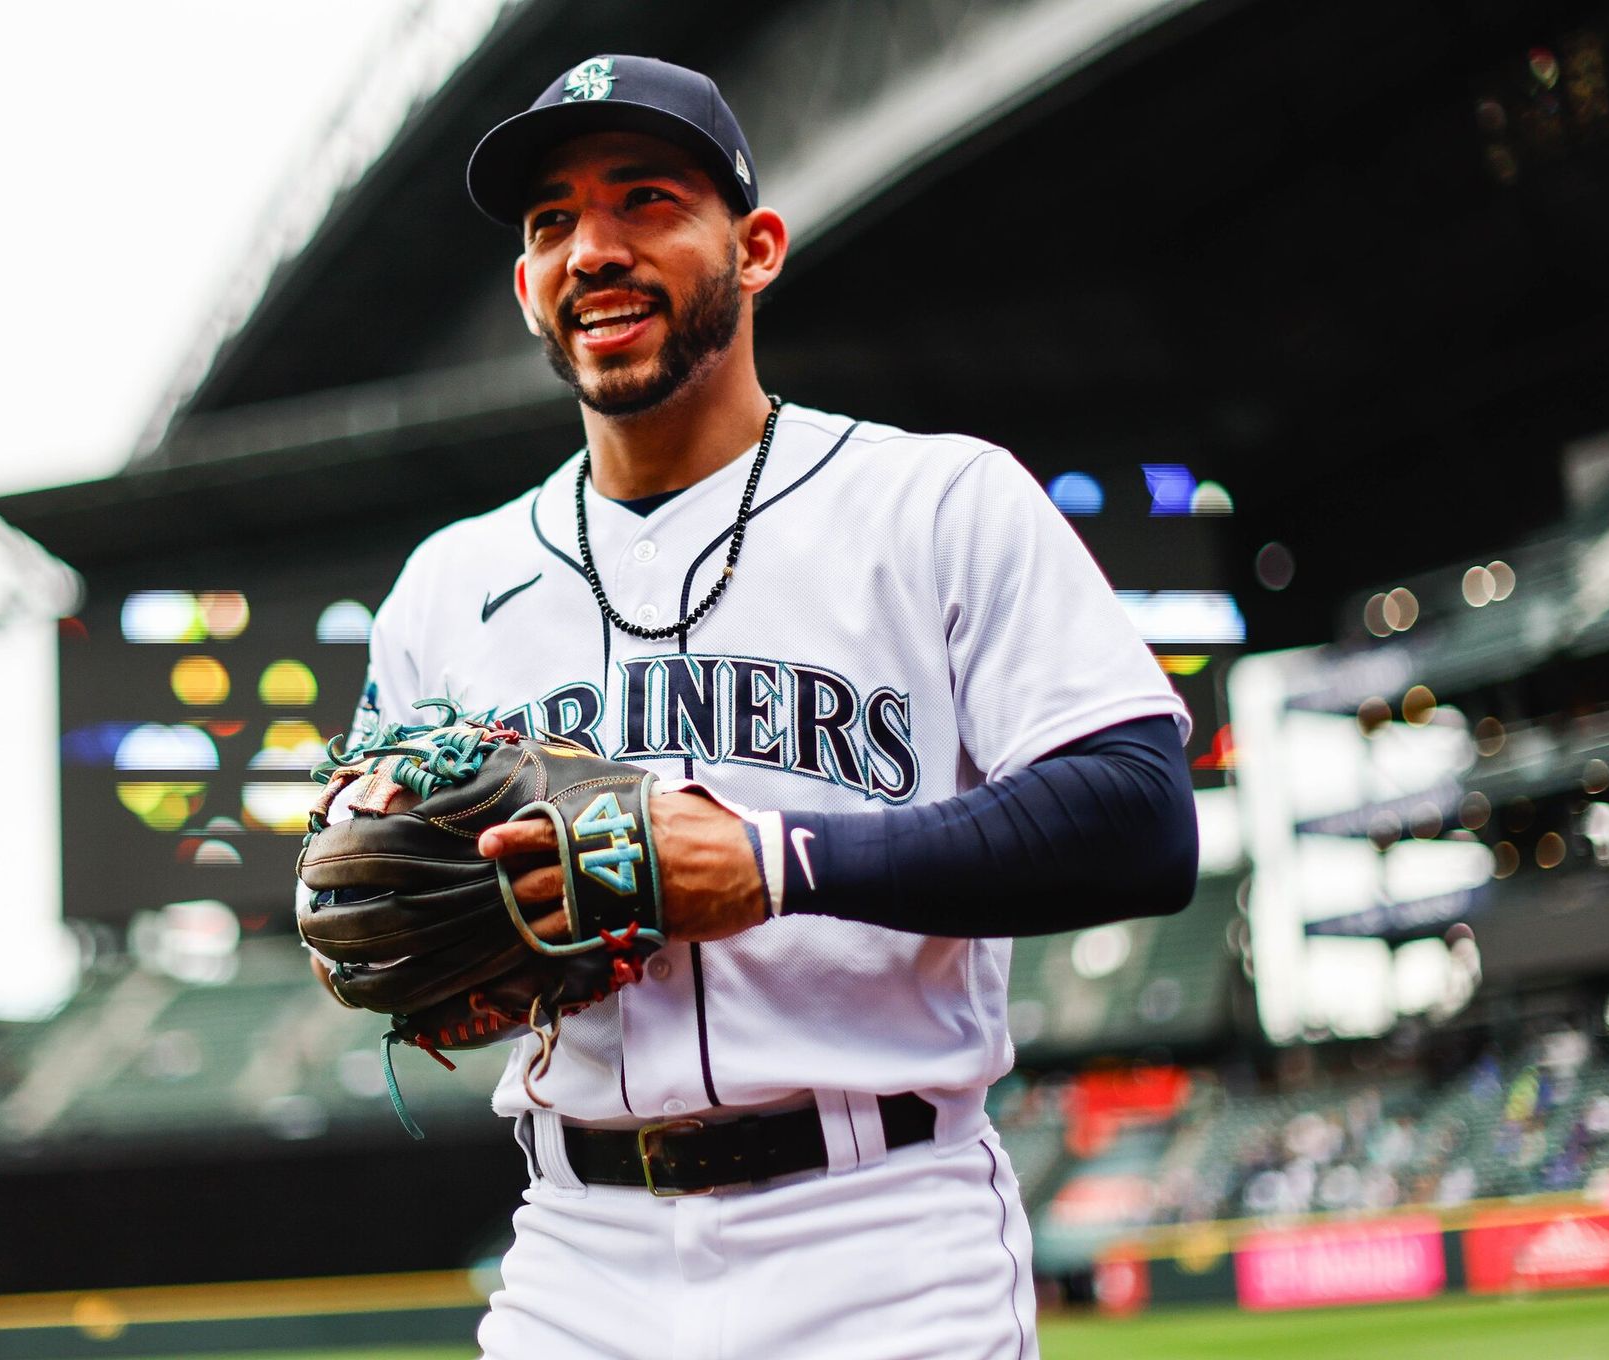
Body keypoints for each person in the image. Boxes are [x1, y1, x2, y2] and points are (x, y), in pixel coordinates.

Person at [346, 53, 1198, 1359]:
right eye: (552, 222)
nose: (594, 249)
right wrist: (442, 958)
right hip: (580, 1251)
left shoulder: (937, 503)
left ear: (755, 248)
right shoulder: (446, 586)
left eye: (646, 201)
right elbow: (370, 867)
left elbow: (1139, 818)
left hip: (883, 1236)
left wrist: (774, 862)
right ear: (525, 284)